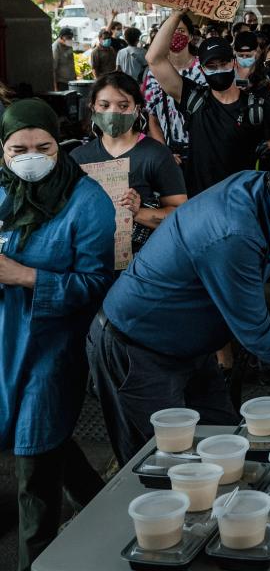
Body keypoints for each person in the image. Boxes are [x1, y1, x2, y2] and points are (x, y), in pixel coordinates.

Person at [87, 159, 270, 464]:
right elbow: (257, 331)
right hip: (137, 348)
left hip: (190, 349)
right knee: (164, 464)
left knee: (226, 445)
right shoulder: (233, 234)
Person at [0, 99, 115, 570]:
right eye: (17, 148)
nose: (30, 157)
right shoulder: (3, 192)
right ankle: (105, 509)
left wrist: (25, 276)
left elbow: (95, 284)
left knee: (33, 463)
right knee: (48, 442)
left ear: (59, 144)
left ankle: (38, 560)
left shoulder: (87, 202)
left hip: (52, 343)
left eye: (42, 147)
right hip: (6, 340)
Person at [146, 9, 270, 196]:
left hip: (241, 203)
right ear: (202, 69)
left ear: (233, 63)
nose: (219, 70)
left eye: (223, 64)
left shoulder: (257, 107)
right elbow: (154, 59)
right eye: (211, 67)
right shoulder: (193, 98)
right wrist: (177, 14)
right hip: (200, 203)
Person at [70, 72, 187, 253]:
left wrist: (137, 212)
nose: (113, 112)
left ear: (137, 109)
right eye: (104, 105)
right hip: (90, 262)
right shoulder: (78, 158)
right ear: (93, 107)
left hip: (143, 262)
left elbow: (181, 215)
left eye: (123, 106)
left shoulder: (156, 155)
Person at [143, 12, 205, 168]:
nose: (176, 35)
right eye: (171, 31)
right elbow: (153, 119)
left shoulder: (204, 69)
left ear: (191, 36)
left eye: (182, 31)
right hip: (171, 153)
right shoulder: (153, 74)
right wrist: (164, 153)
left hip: (204, 150)